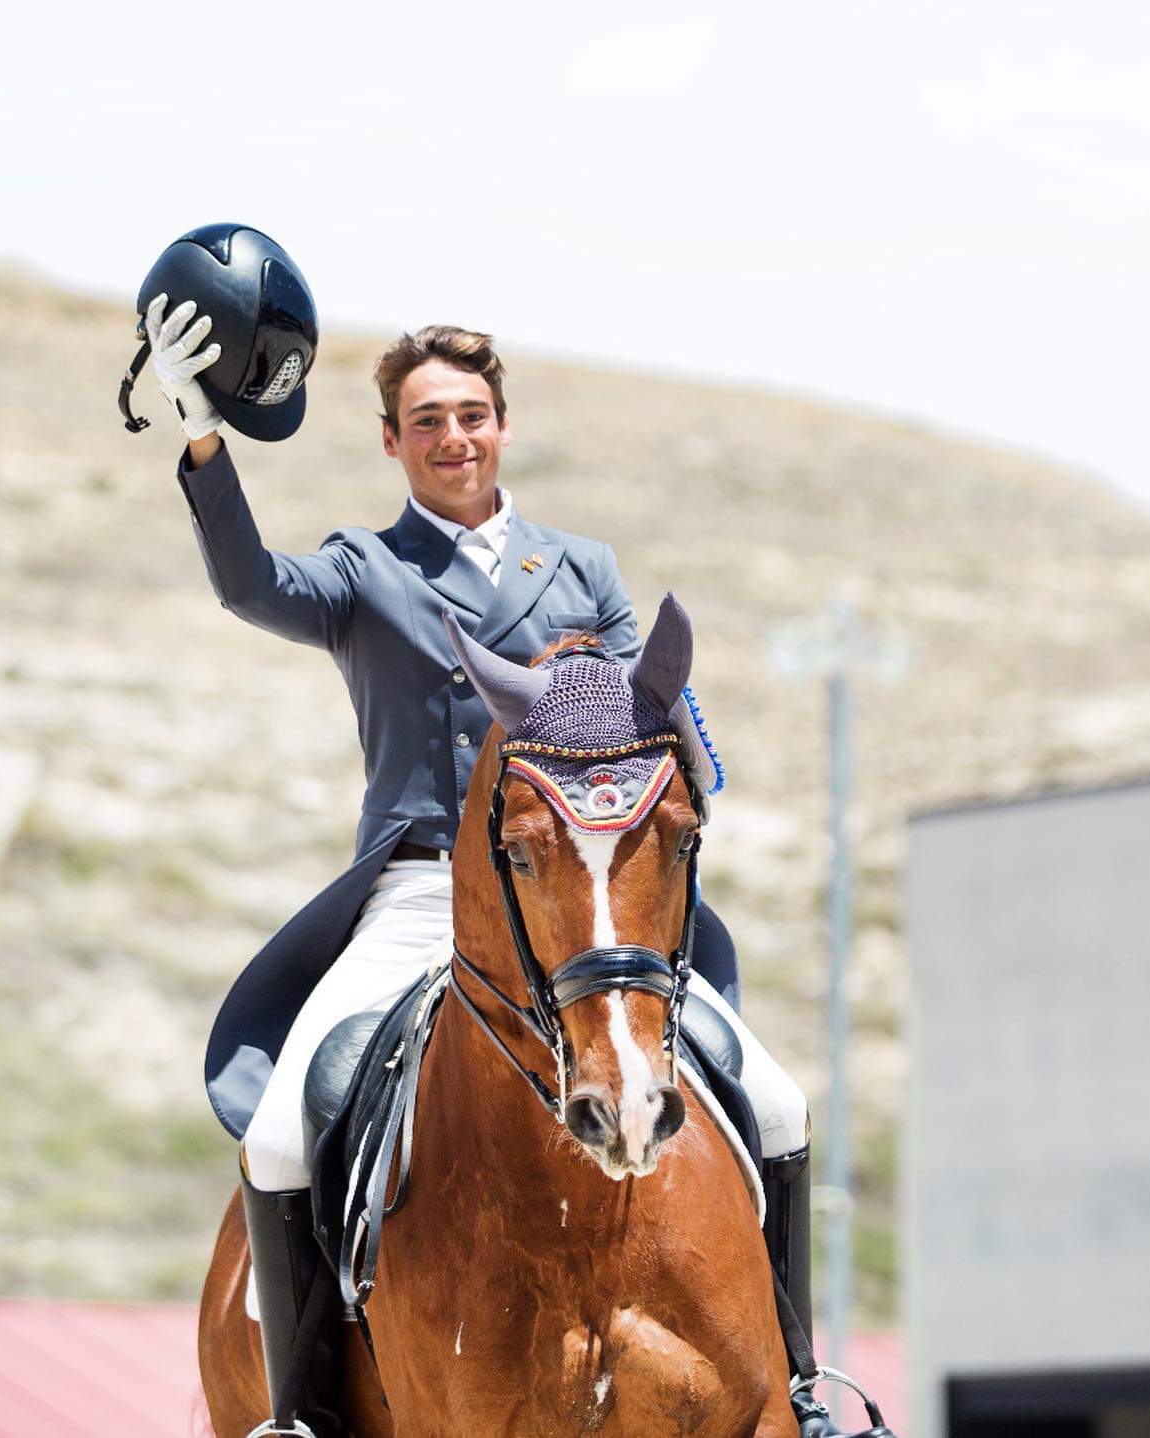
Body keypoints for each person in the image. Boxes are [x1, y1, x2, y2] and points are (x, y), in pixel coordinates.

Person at [147, 299, 890, 1438]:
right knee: (287, 1130)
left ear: (504, 426)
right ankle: (298, 1412)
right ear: (392, 442)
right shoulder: (366, 570)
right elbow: (252, 583)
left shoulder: (582, 570)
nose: (455, 435)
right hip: (422, 889)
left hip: (584, 888)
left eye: (473, 414)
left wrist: (671, 747)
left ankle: (798, 1388)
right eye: (427, 419)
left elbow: (648, 726)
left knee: (778, 1103)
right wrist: (205, 441)